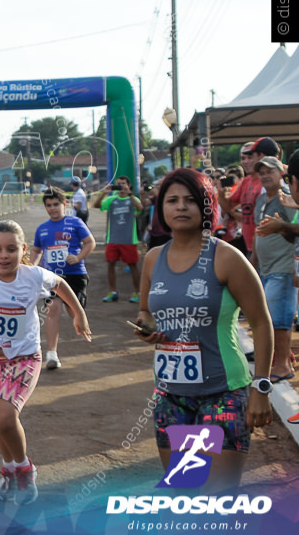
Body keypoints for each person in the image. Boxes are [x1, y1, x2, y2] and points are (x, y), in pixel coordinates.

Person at [132, 168, 273, 494]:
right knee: (185, 491)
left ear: (206, 206)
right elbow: (144, 311)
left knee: (217, 496)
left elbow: (261, 322)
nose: (181, 207)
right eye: (172, 200)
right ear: (162, 209)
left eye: (190, 200)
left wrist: (261, 388)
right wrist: (147, 326)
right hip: (170, 396)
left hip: (222, 392)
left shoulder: (226, 258)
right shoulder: (153, 259)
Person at [0, 220, 92, 506]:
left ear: (23, 249)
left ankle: (25, 469)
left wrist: (78, 313)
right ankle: (9, 468)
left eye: (11, 249)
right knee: (0, 421)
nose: (4, 255)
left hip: (25, 358)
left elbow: (61, 283)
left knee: (4, 415)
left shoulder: (33, 276)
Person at [31, 187, 95, 370]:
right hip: (53, 277)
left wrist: (78, 257)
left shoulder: (75, 222)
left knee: (73, 311)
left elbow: (90, 242)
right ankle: (52, 354)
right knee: (53, 309)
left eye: (56, 204)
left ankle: (80, 318)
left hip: (75, 274)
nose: (52, 208)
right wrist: (33, 266)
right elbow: (36, 250)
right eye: (49, 205)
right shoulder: (42, 229)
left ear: (64, 204)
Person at [251, 156, 297, 381]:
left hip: (284, 266)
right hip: (266, 269)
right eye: (261, 172)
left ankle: (282, 366)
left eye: (270, 171)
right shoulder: (262, 200)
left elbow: (295, 229)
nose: (265, 175)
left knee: (279, 319)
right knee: (270, 316)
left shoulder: (287, 197)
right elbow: (258, 232)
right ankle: (283, 359)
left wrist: (281, 228)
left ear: (282, 174)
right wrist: (253, 261)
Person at [220, 139, 279, 258]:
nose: (247, 161)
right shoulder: (246, 181)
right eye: (243, 158)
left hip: (270, 249)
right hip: (251, 247)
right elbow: (227, 208)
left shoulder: (274, 179)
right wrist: (221, 194)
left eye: (250, 156)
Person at [93, 175, 144, 302]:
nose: (121, 186)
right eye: (118, 184)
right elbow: (96, 205)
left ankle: (137, 292)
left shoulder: (133, 199)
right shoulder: (111, 199)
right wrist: (104, 193)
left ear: (129, 185)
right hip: (113, 238)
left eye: (123, 184)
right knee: (111, 264)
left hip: (129, 239)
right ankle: (113, 291)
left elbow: (140, 209)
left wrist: (130, 194)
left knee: (133, 265)